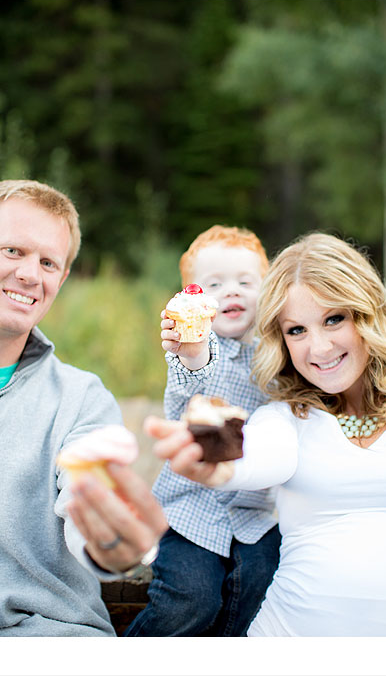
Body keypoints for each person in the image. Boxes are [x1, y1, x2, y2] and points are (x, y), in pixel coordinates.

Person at [149, 232, 386, 636]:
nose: (319, 348)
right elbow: (261, 453)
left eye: (334, 319)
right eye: (296, 330)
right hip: (284, 631)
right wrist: (219, 470)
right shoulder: (285, 412)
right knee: (192, 596)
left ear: (366, 312)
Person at [0, 180, 168, 637]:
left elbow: (85, 492)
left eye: (48, 263)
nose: (31, 275)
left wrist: (108, 544)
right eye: (14, 251)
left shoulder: (82, 398)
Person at [126, 225, 281, 636]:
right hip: (189, 511)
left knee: (259, 590)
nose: (231, 291)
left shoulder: (274, 354)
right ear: (191, 297)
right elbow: (194, 372)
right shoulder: (195, 347)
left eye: (246, 282)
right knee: (192, 598)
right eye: (214, 284)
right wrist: (191, 349)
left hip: (253, 514)